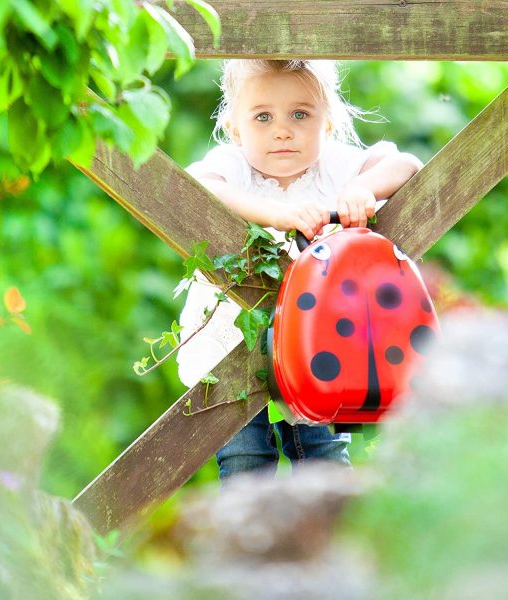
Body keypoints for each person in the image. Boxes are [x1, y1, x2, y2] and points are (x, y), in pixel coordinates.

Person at [176, 59, 423, 482]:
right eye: (262, 117)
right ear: (235, 129)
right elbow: (200, 184)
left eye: (300, 114)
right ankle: (249, 543)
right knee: (244, 459)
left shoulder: (334, 167)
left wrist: (361, 189)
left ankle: (325, 540)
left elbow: (406, 164)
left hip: (318, 347)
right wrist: (278, 214)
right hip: (233, 342)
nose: (282, 130)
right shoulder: (235, 167)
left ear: (326, 123)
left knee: (323, 454)